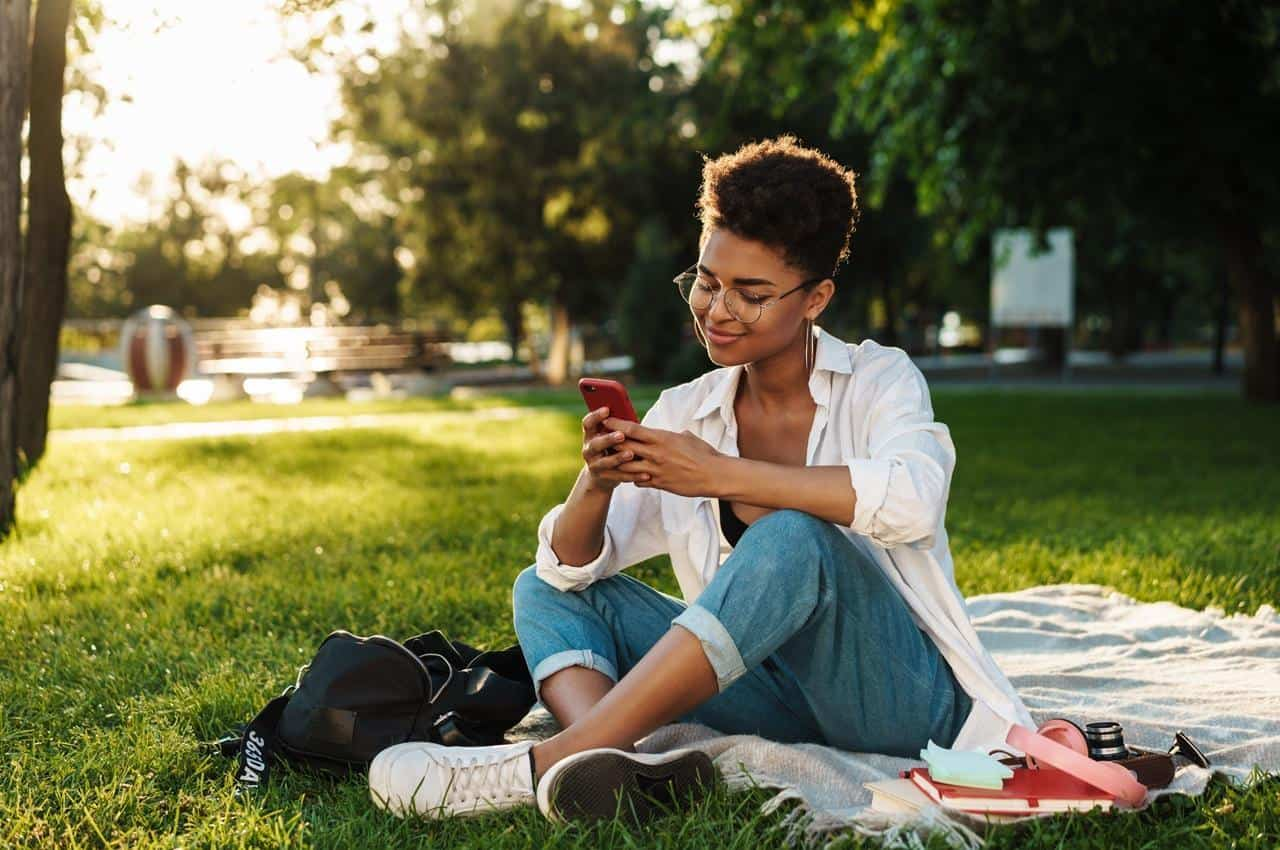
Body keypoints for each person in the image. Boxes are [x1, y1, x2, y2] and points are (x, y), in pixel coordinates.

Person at [368, 134, 1035, 824]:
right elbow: (568, 571)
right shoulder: (688, 410)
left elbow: (913, 501)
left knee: (791, 539)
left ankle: (549, 762)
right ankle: (615, 766)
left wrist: (720, 474)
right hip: (768, 697)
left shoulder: (879, 380)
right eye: (707, 282)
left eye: (751, 294)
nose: (717, 310)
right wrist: (594, 483)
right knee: (543, 584)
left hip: (895, 703)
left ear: (816, 298)